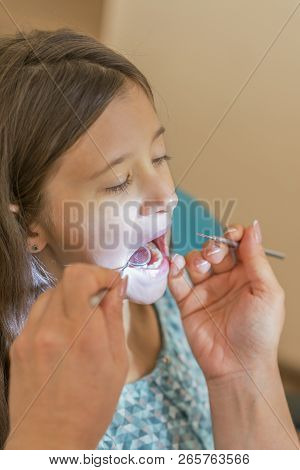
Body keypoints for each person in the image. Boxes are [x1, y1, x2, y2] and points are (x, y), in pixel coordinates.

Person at [1, 28, 298, 450]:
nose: (167, 197)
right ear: (31, 223)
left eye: (160, 158)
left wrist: (245, 374)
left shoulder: (180, 309)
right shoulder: (26, 401)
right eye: (119, 182)